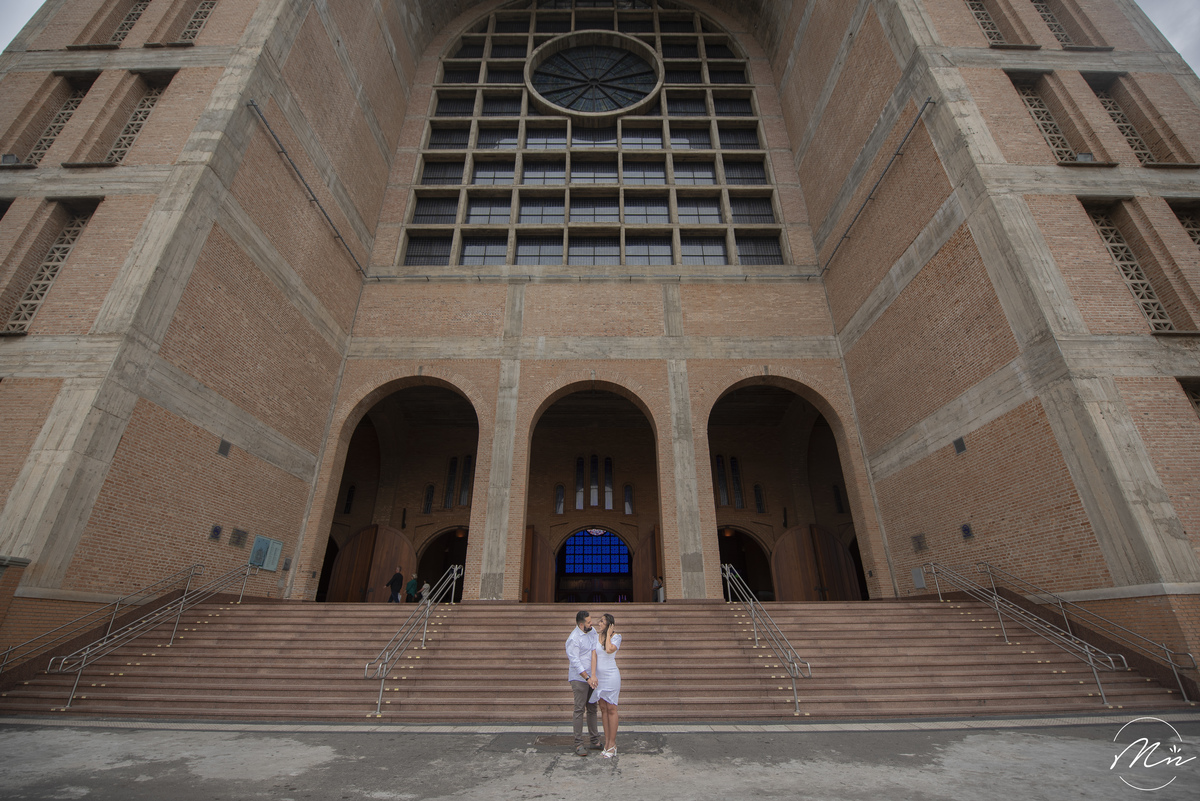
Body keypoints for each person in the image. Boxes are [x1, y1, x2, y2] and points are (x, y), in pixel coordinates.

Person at [565, 610, 601, 756]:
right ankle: (579, 744)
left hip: (592, 676)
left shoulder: (592, 632)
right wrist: (587, 678)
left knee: (592, 708)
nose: (591, 624)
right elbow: (575, 661)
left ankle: (595, 740)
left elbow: (594, 650)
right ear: (581, 624)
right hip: (579, 679)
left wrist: (593, 676)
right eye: (588, 622)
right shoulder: (573, 639)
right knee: (579, 709)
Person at [588, 613, 621, 758]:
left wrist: (608, 635)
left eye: (602, 621)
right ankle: (607, 743)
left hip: (611, 676)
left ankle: (612, 745)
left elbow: (608, 649)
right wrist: (593, 675)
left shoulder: (616, 637)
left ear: (609, 624)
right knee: (603, 708)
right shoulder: (595, 637)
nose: (599, 623)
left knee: (611, 708)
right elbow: (594, 656)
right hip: (600, 678)